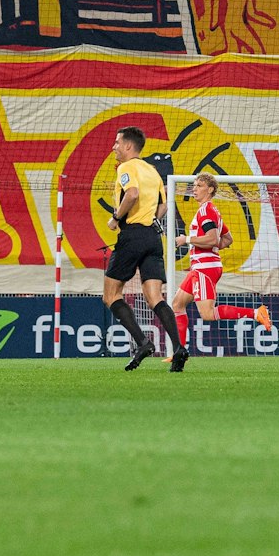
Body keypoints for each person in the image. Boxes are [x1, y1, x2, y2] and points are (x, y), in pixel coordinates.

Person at [104, 126, 189, 372]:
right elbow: (164, 206)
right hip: (153, 237)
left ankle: (142, 343)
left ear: (128, 146)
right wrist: (152, 220)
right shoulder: (152, 171)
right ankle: (178, 347)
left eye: (117, 142)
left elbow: (131, 194)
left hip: (132, 235)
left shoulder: (126, 167)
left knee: (110, 295)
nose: (114, 147)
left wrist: (116, 218)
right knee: (155, 297)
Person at [164, 173, 273, 359]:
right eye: (194, 185)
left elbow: (213, 238)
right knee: (177, 304)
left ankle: (256, 313)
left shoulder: (207, 211)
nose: (195, 189)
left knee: (207, 314)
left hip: (205, 268)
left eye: (199, 185)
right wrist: (211, 245)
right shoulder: (208, 210)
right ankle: (178, 352)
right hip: (200, 267)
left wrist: (187, 239)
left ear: (210, 189)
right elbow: (226, 239)